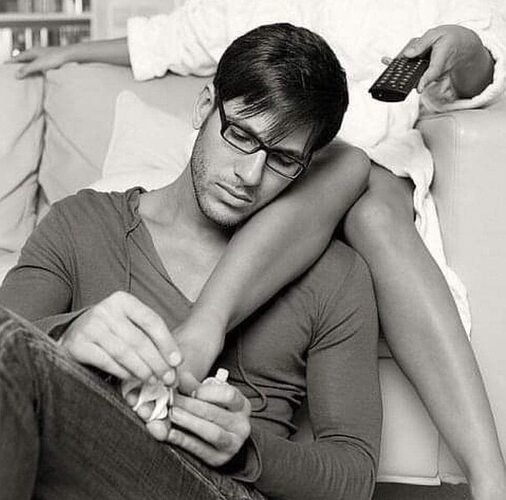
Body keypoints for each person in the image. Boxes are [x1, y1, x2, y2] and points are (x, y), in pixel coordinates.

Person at [9, 1, 506, 498]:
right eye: (240, 136)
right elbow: (10, 348)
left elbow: (353, 476)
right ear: (204, 107)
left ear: (309, 165)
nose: (248, 176)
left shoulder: (336, 275)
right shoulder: (82, 223)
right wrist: (62, 339)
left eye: (283, 160)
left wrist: (245, 451)